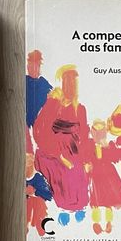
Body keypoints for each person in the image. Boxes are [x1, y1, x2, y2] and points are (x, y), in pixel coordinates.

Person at [33, 64, 91, 224]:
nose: (71, 87)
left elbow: (84, 135)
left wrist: (86, 159)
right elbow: (40, 131)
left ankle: (79, 207)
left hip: (74, 150)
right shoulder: (53, 105)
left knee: (79, 170)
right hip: (54, 151)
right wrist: (59, 155)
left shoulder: (80, 108)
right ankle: (64, 209)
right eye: (68, 82)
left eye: (74, 83)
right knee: (62, 172)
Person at [87, 119, 121, 234]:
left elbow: (115, 158)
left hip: (108, 172)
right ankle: (96, 222)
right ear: (92, 132)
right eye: (96, 131)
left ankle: (109, 221)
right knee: (96, 197)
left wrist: (107, 147)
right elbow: (86, 156)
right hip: (95, 173)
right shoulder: (89, 144)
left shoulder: (109, 144)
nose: (99, 134)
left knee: (109, 197)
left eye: (101, 131)